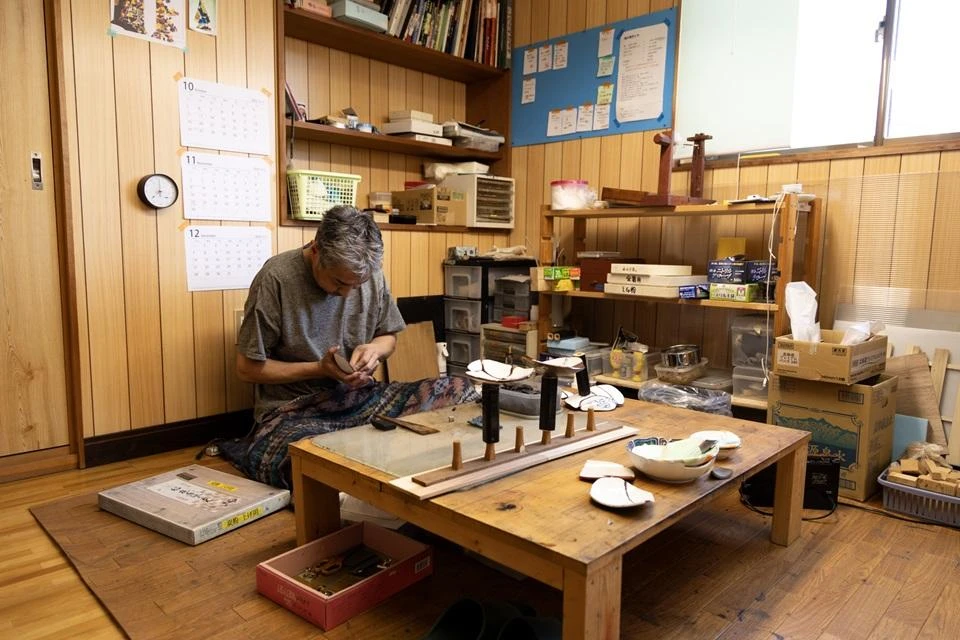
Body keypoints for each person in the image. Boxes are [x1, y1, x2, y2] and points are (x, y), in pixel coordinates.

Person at [223, 206, 478, 488]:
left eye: (358, 285)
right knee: (301, 456)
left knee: (459, 390)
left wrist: (375, 351)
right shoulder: (276, 277)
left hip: (360, 398)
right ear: (316, 250)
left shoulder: (369, 273)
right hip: (296, 411)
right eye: (339, 282)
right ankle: (375, 462)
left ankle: (373, 461)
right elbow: (247, 369)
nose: (347, 293)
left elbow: (388, 336)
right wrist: (318, 369)